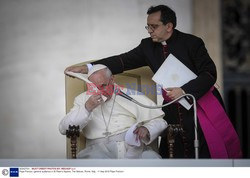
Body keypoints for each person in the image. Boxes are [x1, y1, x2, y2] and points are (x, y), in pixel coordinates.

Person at [64, 5, 242, 158]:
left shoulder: (192, 43)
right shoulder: (147, 46)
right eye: (147, 26)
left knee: (205, 146)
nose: (149, 31)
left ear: (169, 26)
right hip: (172, 104)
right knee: (173, 146)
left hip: (199, 103)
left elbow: (210, 73)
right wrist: (88, 67)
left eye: (154, 27)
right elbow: (122, 60)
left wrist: (184, 90)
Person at [60, 64, 168, 159]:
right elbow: (64, 128)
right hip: (97, 151)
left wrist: (147, 128)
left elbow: (160, 121)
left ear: (112, 80)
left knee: (152, 161)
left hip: (133, 148)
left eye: (103, 86)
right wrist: (87, 108)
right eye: (95, 87)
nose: (100, 91)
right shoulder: (82, 99)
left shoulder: (131, 94)